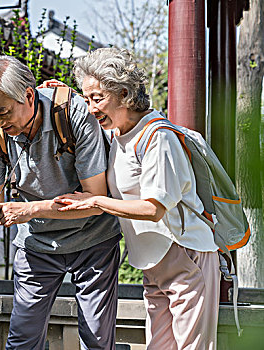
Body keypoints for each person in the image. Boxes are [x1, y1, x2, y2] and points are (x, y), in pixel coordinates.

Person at [0, 55, 122, 350]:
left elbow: (95, 201)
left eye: (3, 112)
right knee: (22, 340)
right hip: (36, 244)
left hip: (93, 240)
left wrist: (29, 210)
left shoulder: (75, 114)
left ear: (28, 95)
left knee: (97, 341)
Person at [53, 47, 220, 350]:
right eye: (86, 98)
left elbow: (153, 209)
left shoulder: (159, 138)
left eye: (97, 98)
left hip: (186, 255)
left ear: (125, 93)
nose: (91, 108)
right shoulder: (119, 133)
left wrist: (95, 201)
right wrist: (66, 95)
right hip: (153, 261)